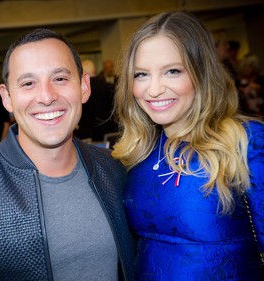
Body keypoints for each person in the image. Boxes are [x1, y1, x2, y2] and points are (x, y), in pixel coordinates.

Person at [0, 28, 135, 281]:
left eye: (60, 79)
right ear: (7, 98)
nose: (46, 96)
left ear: (84, 87)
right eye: (28, 83)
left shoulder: (114, 170)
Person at [112, 11, 264, 280]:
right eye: (141, 74)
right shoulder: (138, 151)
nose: (154, 89)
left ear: (201, 73)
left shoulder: (247, 142)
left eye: (172, 71)